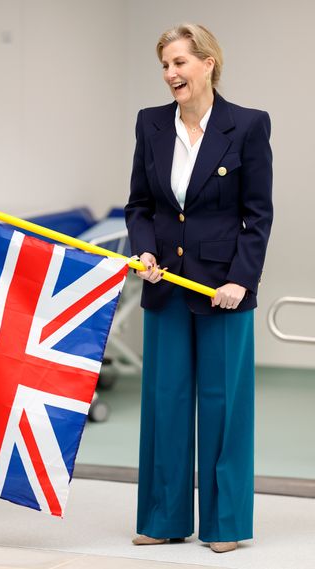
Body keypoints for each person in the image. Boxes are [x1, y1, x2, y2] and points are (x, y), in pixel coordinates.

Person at [124, 23, 273, 554]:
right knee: (165, 401)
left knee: (222, 405)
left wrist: (241, 278)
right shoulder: (151, 125)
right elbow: (140, 204)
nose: (170, 74)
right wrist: (143, 250)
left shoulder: (248, 126)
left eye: (180, 63)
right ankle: (163, 518)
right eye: (165, 65)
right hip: (164, 282)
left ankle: (225, 523)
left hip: (223, 291)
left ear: (208, 63)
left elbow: (257, 214)